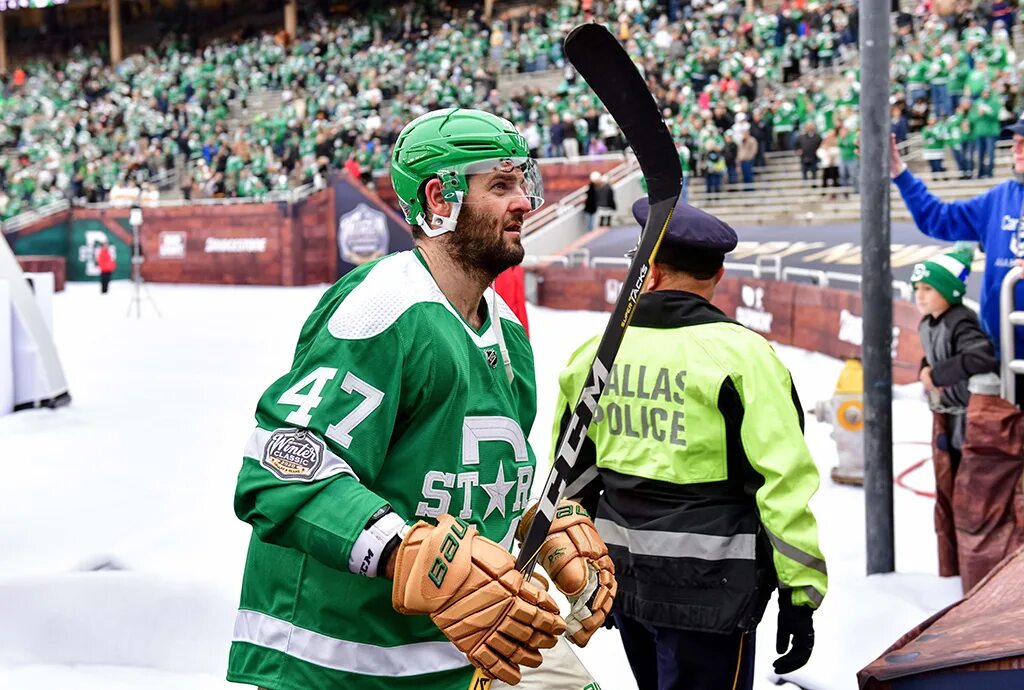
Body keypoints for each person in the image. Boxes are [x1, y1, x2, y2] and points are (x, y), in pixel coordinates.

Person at [226, 108, 615, 690]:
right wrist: (406, 551)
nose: (525, 203)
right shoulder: (383, 307)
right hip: (342, 662)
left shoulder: (505, 330)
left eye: (522, 182)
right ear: (440, 199)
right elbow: (283, 470)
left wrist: (537, 525)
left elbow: (469, 479)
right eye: (501, 185)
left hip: (462, 650)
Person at [554, 199, 828, 690]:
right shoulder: (745, 357)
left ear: (649, 270)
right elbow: (782, 484)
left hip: (624, 584)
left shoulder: (593, 355)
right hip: (714, 595)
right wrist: (800, 594)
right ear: (718, 272)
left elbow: (571, 478)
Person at [891, 125, 1024, 402]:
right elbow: (937, 218)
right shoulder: (1000, 198)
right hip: (1003, 360)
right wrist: (899, 173)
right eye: (1015, 141)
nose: (1016, 149)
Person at [910, 244, 999, 578]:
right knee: (947, 492)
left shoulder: (961, 320)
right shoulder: (928, 323)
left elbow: (982, 357)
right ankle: (955, 566)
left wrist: (937, 374)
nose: (920, 296)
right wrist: (923, 367)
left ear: (949, 291)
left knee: (968, 492)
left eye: (929, 289)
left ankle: (977, 567)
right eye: (917, 289)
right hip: (946, 416)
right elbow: (932, 356)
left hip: (968, 417)